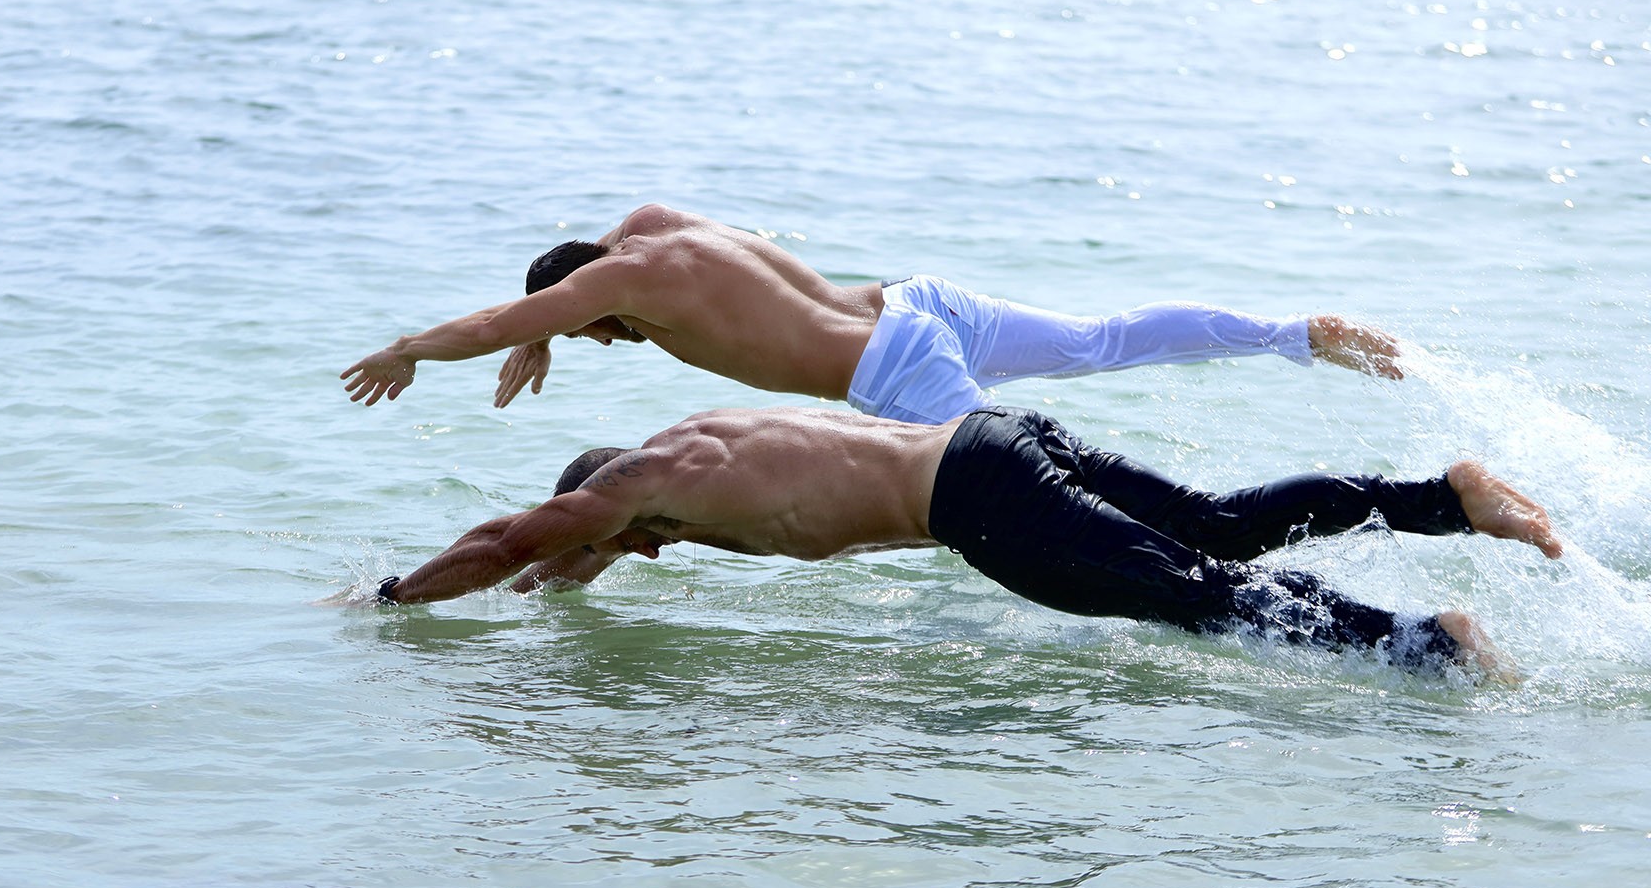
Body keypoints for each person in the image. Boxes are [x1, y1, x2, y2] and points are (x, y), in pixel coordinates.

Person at [366, 406, 1562, 676]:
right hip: (986, 443)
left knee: (1183, 591)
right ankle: (1441, 498)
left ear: (605, 507)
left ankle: (1430, 643)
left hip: (974, 502)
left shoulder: (643, 478)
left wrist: (393, 600)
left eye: (607, 544)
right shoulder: (687, 465)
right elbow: (545, 548)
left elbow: (513, 532)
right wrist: (546, 577)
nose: (636, 556)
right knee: (1205, 525)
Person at [341, 205, 1405, 424]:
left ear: (595, 297)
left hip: (892, 369)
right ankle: (1292, 337)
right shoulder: (652, 230)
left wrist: (407, 350)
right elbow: (600, 239)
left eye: (593, 330)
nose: (611, 339)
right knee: (1101, 340)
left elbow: (484, 323)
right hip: (916, 299)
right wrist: (544, 322)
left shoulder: (619, 287)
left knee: (1004, 499)